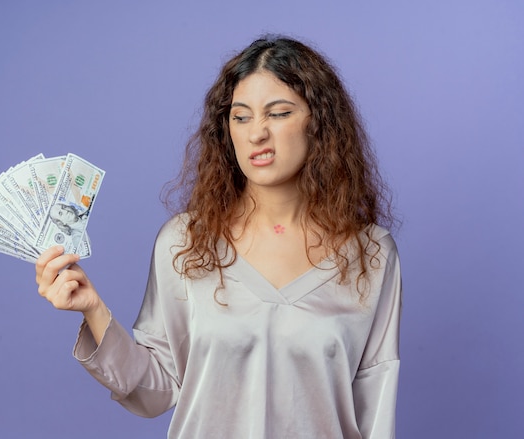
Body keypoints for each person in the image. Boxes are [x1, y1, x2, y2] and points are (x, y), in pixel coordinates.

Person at [36, 35, 402, 438]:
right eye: (240, 117)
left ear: (320, 122)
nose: (256, 133)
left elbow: (375, 406)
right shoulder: (186, 242)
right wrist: (93, 309)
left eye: (278, 114)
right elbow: (153, 390)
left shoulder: (371, 254)